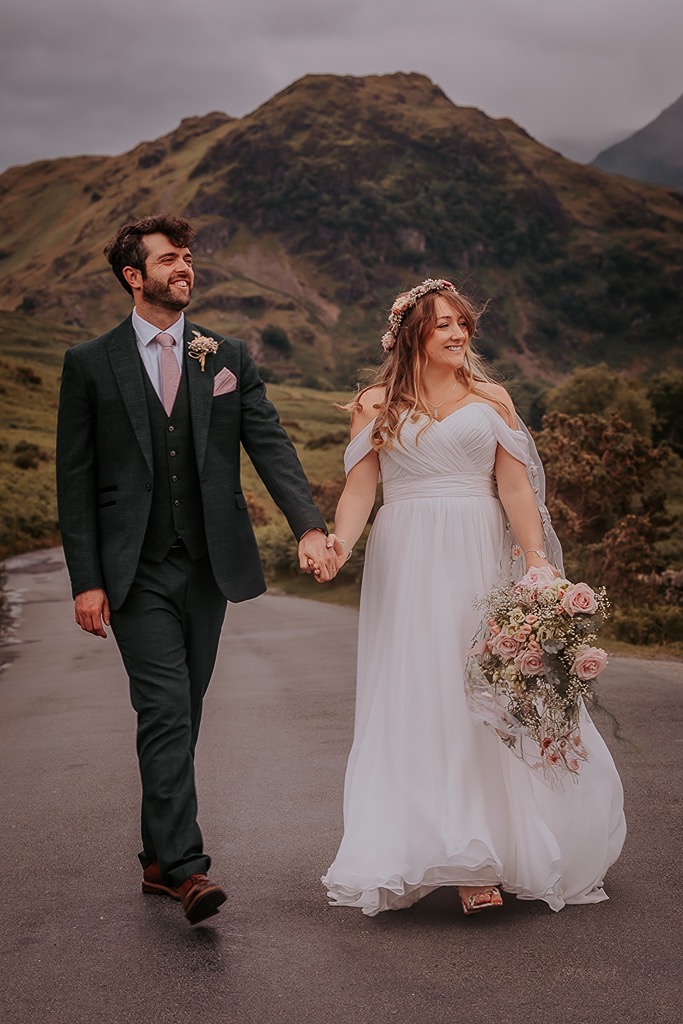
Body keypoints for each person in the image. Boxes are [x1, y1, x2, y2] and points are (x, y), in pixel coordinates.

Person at [56, 214, 337, 925]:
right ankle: (187, 870)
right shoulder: (91, 363)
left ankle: (156, 857)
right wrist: (85, 579)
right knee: (165, 708)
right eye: (169, 259)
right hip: (134, 571)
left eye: (187, 257)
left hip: (209, 566)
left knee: (187, 711)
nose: (185, 267)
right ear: (134, 276)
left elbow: (269, 443)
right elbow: (75, 481)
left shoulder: (227, 356)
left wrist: (308, 523)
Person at [321, 278, 626, 916]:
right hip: (405, 555)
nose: (459, 334)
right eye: (444, 326)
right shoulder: (374, 403)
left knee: (484, 688)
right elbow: (358, 491)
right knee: (418, 692)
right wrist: (337, 545)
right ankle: (433, 847)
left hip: (477, 552)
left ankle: (489, 850)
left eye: (464, 325)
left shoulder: (491, 399)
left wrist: (538, 566)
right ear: (413, 335)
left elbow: (516, 489)